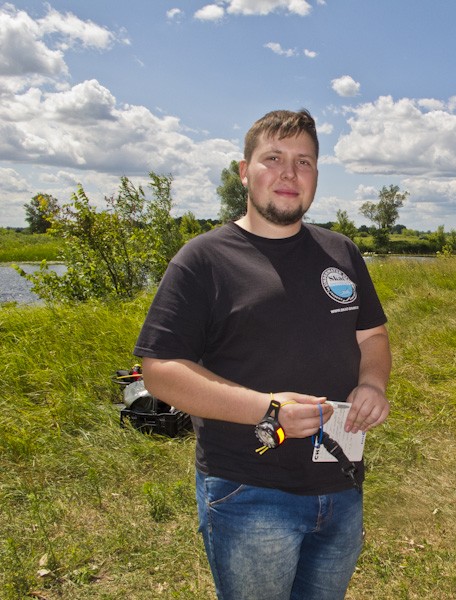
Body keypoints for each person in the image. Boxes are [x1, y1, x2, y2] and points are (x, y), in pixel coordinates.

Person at [134, 109, 391, 600]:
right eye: (273, 158)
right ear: (244, 171)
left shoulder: (342, 252)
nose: (290, 174)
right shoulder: (203, 259)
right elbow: (160, 371)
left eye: (305, 162)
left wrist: (373, 384)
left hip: (340, 480)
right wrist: (268, 409)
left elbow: (372, 337)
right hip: (248, 490)